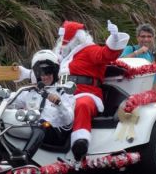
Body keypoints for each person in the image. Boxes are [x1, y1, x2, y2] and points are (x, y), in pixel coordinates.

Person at [55, 20, 129, 162]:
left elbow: (105, 54)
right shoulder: (63, 58)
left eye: (64, 38)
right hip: (63, 94)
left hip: (87, 93)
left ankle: (80, 142)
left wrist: (114, 39)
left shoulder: (89, 49)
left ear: (74, 38)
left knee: (82, 104)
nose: (61, 41)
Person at [7, 49, 75, 166]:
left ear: (54, 72)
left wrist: (59, 104)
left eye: (48, 72)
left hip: (56, 134)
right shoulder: (30, 92)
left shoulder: (63, 92)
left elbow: (68, 120)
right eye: (41, 73)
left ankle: (25, 156)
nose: (44, 77)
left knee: (42, 123)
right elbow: (9, 99)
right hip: (33, 130)